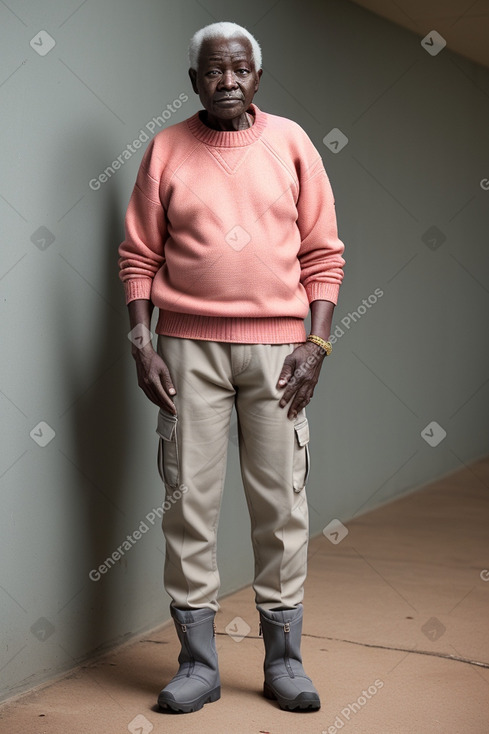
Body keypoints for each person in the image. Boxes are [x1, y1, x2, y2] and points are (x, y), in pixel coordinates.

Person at [118, 21, 345, 714]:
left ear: (257, 77)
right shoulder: (165, 149)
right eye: (213, 71)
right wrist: (141, 341)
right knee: (189, 504)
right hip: (185, 350)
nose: (228, 81)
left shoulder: (292, 143)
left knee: (281, 506)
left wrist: (316, 344)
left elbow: (322, 254)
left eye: (240, 69)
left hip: (280, 354)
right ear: (194, 81)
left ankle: (284, 663)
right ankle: (198, 666)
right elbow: (138, 256)